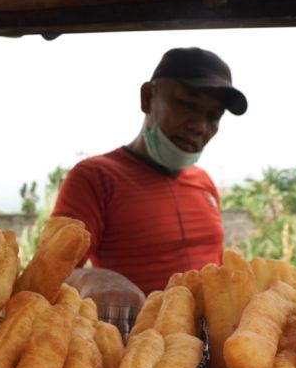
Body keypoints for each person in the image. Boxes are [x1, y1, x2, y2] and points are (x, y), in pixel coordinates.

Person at [52, 47, 248, 329]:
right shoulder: (94, 177)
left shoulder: (204, 182)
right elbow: (50, 274)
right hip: (137, 349)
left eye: (213, 116)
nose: (199, 126)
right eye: (186, 104)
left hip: (209, 351)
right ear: (147, 97)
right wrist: (94, 278)